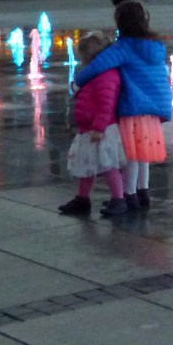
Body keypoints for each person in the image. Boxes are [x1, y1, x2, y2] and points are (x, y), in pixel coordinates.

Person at [72, 1, 171, 214]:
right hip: (155, 107)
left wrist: (78, 82)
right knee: (143, 153)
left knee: (132, 154)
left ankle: (128, 197)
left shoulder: (124, 47)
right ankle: (143, 192)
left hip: (134, 106)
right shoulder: (155, 45)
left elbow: (98, 64)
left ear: (121, 23)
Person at [58, 31, 129, 217]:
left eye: (84, 58)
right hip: (88, 128)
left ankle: (118, 199)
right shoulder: (95, 74)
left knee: (109, 165)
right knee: (86, 165)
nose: (82, 62)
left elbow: (106, 105)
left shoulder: (106, 75)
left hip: (102, 130)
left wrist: (99, 128)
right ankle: (82, 198)